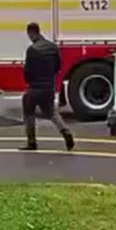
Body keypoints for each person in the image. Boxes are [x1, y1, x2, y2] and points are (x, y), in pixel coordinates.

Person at [19, 22, 74, 152]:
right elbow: (58, 67)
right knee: (52, 113)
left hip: (34, 88)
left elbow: (27, 71)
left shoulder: (32, 50)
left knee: (29, 113)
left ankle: (31, 142)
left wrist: (29, 82)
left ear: (30, 33)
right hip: (49, 88)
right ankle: (66, 132)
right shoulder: (53, 47)